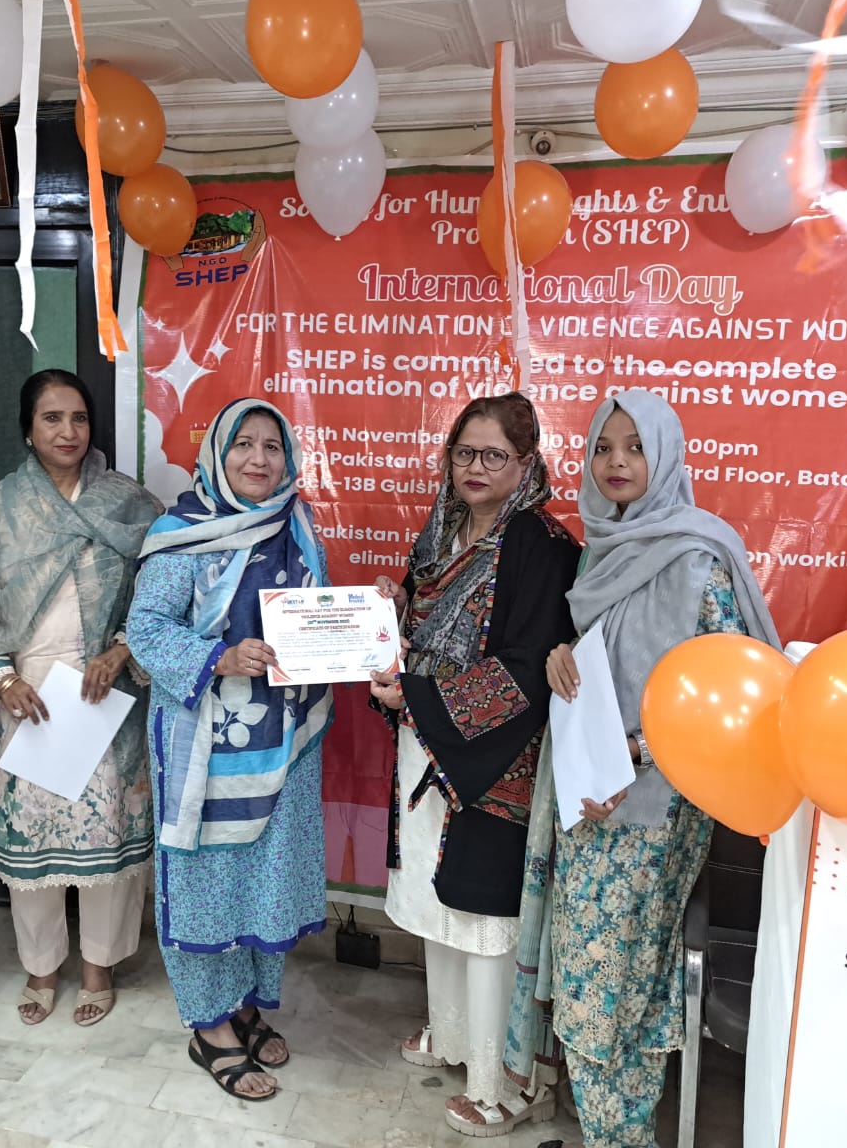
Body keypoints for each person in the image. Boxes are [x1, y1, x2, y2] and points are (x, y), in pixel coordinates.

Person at [509, 388, 779, 1148]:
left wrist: (633, 753)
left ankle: (617, 1138)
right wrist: (563, 654)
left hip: (652, 809)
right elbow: (609, 657)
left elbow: (736, 695)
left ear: (666, 456)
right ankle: (619, 1136)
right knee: (608, 984)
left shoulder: (697, 557)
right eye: (603, 446)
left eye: (635, 446)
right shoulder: (604, 549)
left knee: (607, 990)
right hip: (591, 797)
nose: (617, 461)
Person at [367, 393, 578, 1139]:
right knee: (435, 898)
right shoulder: (442, 529)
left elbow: (529, 667)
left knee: (486, 915)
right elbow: (419, 628)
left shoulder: (540, 543)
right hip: (425, 735)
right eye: (465, 452)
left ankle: (500, 1080)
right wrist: (388, 625)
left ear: (527, 463)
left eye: (495, 455)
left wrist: (423, 696)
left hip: (495, 760)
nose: (476, 468)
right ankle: (453, 1035)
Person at [125, 397, 334, 1102]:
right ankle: (210, 1027)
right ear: (217, 452)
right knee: (207, 878)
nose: (258, 459)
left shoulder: (297, 523)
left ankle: (247, 1003)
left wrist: (362, 620)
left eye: (272, 446)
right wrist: (217, 657)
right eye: (243, 443)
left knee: (264, 875)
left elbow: (314, 617)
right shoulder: (180, 533)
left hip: (286, 740)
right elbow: (146, 631)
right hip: (205, 746)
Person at [0, 370, 161, 1028]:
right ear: (28, 428)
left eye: (78, 418)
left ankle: (100, 966)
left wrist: (122, 650)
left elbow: (163, 593)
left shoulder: (130, 503)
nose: (68, 431)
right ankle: (41, 965)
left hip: (108, 687)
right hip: (29, 694)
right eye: (51, 418)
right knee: (32, 842)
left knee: (109, 840)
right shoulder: (3, 506)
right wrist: (2, 678)